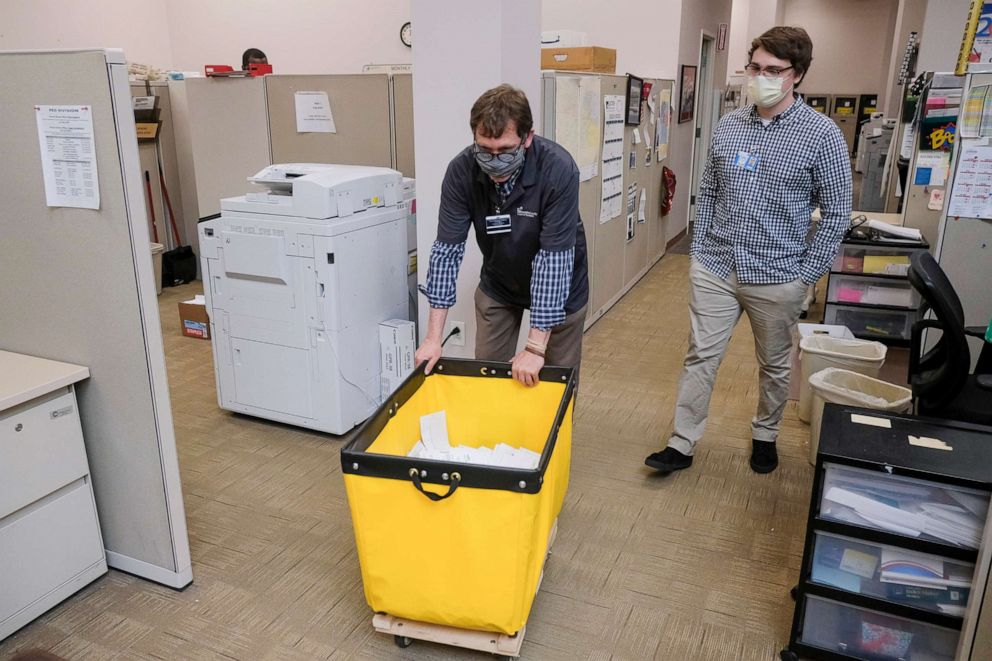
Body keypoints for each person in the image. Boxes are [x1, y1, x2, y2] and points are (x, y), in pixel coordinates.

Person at [645, 26, 851, 475]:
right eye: (755, 67)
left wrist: (806, 276)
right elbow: (711, 191)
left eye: (773, 70)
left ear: (796, 75)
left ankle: (765, 434)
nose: (761, 76)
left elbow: (837, 214)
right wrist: (700, 251)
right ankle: (682, 442)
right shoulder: (729, 125)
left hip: (779, 275)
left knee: (774, 364)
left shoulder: (822, 135)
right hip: (716, 266)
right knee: (700, 355)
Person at [414, 84, 589, 387]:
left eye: (505, 151)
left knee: (555, 385)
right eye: (485, 150)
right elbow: (446, 252)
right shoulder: (461, 171)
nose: (494, 161)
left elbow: (553, 260)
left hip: (562, 287)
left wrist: (534, 347)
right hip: (500, 282)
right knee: (489, 377)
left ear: (527, 138)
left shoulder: (558, 169)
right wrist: (432, 338)